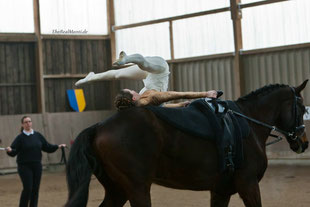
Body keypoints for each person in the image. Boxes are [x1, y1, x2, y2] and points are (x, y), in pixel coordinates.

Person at [6, 116, 66, 207]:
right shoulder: (20, 138)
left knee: (35, 189)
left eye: (29, 121)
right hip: (24, 167)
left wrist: (57, 146)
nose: (28, 123)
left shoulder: (38, 135)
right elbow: (13, 152)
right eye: (26, 122)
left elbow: (47, 147)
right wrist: (10, 150)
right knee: (28, 188)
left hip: (37, 166)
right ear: (22, 124)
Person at [75, 51, 170, 95]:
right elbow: (167, 101)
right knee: (146, 64)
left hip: (149, 77)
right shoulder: (150, 101)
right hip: (161, 70)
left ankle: (91, 77)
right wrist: (181, 101)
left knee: (117, 74)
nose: (133, 93)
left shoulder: (141, 100)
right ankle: (127, 58)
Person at [114, 89, 219, 110]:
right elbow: (175, 95)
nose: (133, 90)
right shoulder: (150, 98)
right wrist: (205, 93)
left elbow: (161, 107)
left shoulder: (137, 106)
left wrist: (180, 105)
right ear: (133, 97)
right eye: (131, 91)